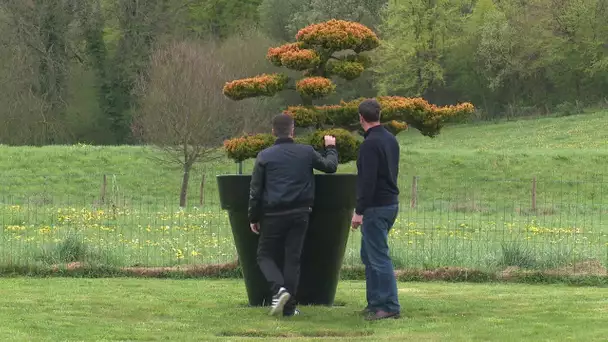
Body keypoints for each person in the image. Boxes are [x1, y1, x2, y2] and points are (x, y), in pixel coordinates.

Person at [248, 114, 339, 317]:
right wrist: (331, 147)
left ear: (273, 131)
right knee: (292, 259)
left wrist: (253, 217)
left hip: (272, 214)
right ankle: (289, 308)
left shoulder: (264, 156)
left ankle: (279, 289)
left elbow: (255, 191)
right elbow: (330, 167)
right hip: (300, 213)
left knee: (264, 255)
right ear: (293, 130)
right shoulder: (306, 152)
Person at [351, 99, 401, 321]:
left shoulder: (369, 145)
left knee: (378, 257)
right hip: (390, 203)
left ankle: (389, 305)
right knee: (369, 255)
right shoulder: (390, 139)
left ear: (361, 118)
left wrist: (359, 211)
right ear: (379, 115)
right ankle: (375, 303)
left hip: (375, 207)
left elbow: (367, 181)